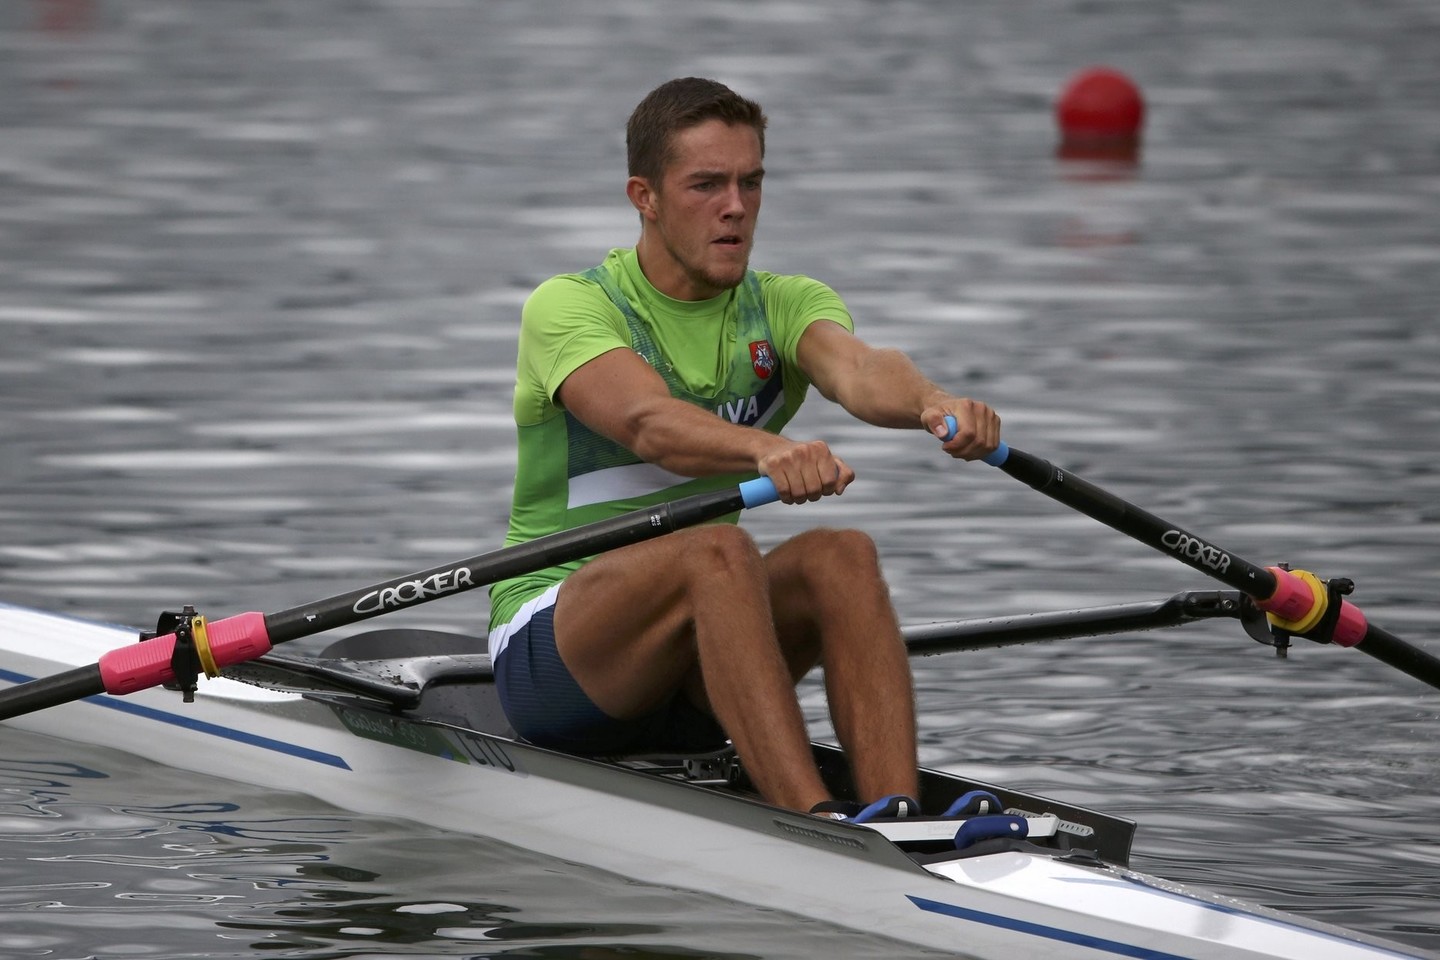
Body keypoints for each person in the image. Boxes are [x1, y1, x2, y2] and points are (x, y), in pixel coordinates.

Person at [487, 77, 1000, 818]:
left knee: (841, 555)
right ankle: (815, 823)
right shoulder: (573, 306)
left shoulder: (784, 303)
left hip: (700, 663)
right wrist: (764, 450)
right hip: (559, 660)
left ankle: (898, 817)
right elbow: (647, 423)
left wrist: (933, 401)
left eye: (750, 182)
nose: (735, 206)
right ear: (644, 197)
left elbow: (858, 369)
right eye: (706, 185)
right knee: (719, 551)